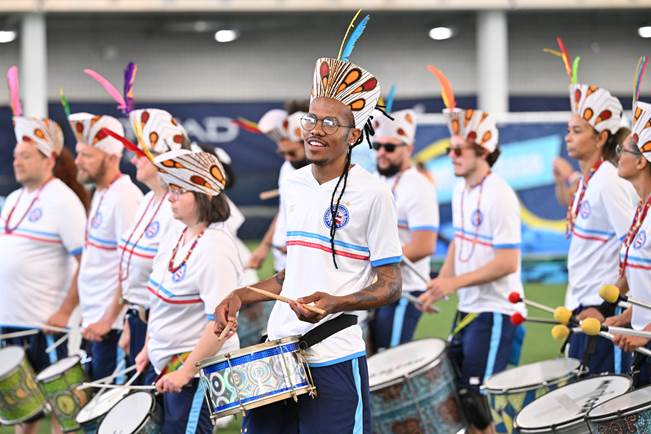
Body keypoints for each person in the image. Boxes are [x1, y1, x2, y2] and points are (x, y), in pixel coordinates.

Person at [214, 13, 403, 434]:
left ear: (354, 136)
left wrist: (338, 302)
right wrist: (243, 294)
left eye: (330, 123)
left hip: (335, 354)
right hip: (278, 352)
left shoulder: (373, 193)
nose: (315, 130)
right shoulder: (295, 183)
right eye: (311, 120)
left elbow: (391, 284)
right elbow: (293, 271)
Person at [418, 66, 524, 434]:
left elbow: (508, 262)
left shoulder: (500, 194)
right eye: (450, 148)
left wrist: (455, 282)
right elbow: (461, 242)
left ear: (483, 150)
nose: (452, 155)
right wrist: (441, 283)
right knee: (461, 402)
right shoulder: (463, 189)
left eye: (459, 149)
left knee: (479, 406)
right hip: (470, 310)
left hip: (497, 312)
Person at [0, 66, 88, 434]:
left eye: (25, 155)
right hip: (11, 321)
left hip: (46, 324)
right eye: (16, 155)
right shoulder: (14, 199)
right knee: (23, 413)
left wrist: (65, 309)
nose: (16, 160)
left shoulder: (63, 200)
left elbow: (86, 261)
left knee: (60, 410)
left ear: (48, 159)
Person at [134, 148, 242, 434]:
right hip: (166, 365)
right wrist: (148, 347)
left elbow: (222, 323)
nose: (170, 197)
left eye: (180, 191)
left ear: (205, 196)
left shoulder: (215, 248)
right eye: (171, 188)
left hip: (195, 374)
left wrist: (185, 372)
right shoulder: (177, 233)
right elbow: (157, 301)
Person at [549, 39, 637, 375]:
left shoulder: (609, 181)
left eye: (577, 130)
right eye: (568, 130)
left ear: (600, 137)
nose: (568, 137)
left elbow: (635, 253)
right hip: (581, 308)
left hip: (602, 311)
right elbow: (576, 212)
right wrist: (563, 182)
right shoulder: (589, 180)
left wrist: (604, 306)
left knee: (606, 410)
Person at [110, 108, 191, 383]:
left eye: (140, 152)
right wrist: (130, 320)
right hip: (138, 319)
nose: (132, 159)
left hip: (162, 327)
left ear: (162, 159)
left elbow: (168, 281)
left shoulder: (176, 210)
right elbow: (131, 269)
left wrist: (147, 334)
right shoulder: (146, 200)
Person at [71, 111, 143, 380]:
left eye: (87, 156)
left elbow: (129, 268)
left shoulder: (125, 197)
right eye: (79, 153)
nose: (78, 162)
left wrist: (108, 319)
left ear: (112, 157)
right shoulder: (101, 192)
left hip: (111, 327)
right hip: (95, 322)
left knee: (109, 411)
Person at [370, 108, 439, 351]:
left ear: (408, 148)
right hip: (376, 286)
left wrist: (376, 264)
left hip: (404, 290)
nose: (381, 153)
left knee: (390, 362)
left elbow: (424, 245)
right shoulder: (377, 180)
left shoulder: (419, 186)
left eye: (390, 148)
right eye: (377, 146)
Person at [607, 72, 651, 386]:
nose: (618, 156)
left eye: (625, 151)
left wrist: (646, 332)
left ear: (641, 162)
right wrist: (629, 318)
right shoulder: (641, 209)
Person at [248, 107, 309, 272]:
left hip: (306, 265)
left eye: (292, 152)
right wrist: (264, 246)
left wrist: (300, 245)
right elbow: (284, 210)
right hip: (281, 261)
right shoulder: (287, 167)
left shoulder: (323, 174)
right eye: (282, 153)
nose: (287, 158)